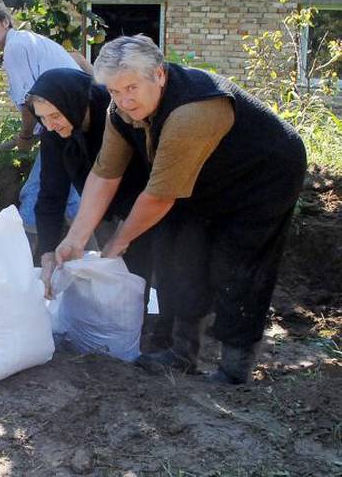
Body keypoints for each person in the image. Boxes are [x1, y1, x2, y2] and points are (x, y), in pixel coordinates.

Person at [54, 35, 306, 384]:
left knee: (237, 265)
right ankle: (181, 352)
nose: (124, 101)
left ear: (158, 75)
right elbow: (104, 173)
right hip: (205, 176)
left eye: (131, 87)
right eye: (114, 91)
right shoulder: (120, 112)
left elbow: (158, 197)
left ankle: (234, 369)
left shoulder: (193, 111)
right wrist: (76, 238)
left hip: (262, 175)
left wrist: (118, 243)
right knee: (178, 251)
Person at [0, 0, 92, 242]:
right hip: (68, 124)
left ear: (5, 21)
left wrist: (25, 137)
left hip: (65, 125)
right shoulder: (27, 41)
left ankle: (28, 260)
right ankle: (91, 259)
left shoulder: (15, 48)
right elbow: (77, 64)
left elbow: (29, 104)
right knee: (69, 195)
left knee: (35, 194)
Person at [26, 68, 151, 299]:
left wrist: (122, 235)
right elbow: (51, 193)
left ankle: (160, 327)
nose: (50, 125)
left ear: (73, 103)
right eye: (42, 118)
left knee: (149, 270)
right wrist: (47, 254)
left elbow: (145, 180)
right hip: (101, 208)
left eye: (54, 116)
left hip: (148, 202)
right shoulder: (53, 132)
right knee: (114, 276)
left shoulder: (117, 116)